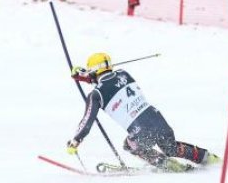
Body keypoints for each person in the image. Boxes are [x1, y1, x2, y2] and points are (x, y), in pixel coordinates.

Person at [66, 52, 220, 172]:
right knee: (170, 147)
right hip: (156, 118)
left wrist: (76, 140)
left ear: (93, 71)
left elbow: (87, 121)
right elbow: (104, 80)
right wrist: (85, 76)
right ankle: (207, 157)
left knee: (129, 144)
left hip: (140, 130)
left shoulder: (95, 95)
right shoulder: (123, 74)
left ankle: (166, 164)